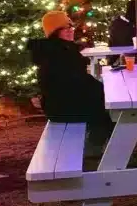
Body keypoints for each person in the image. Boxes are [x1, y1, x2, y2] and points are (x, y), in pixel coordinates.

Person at [28, 10, 112, 150]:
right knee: (105, 113)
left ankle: (97, 147)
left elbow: (79, 82)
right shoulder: (57, 54)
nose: (70, 31)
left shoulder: (62, 49)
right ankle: (96, 149)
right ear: (55, 32)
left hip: (60, 105)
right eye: (64, 28)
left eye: (70, 27)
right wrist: (103, 90)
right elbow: (76, 84)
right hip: (62, 109)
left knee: (104, 108)